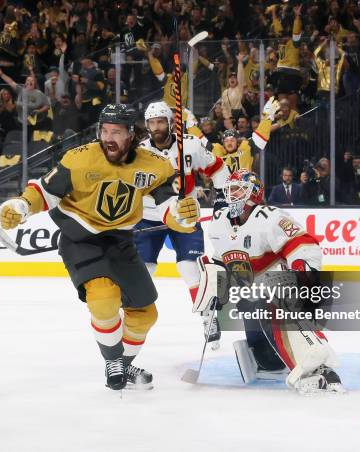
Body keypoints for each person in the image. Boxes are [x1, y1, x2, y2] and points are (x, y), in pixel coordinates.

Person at [0, 104, 200, 391]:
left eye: (116, 132)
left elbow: (168, 206)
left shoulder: (153, 164)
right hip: (81, 239)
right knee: (103, 298)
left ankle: (122, 364)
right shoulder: (80, 159)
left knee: (146, 315)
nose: (108, 137)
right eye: (104, 130)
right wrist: (22, 204)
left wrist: (181, 216)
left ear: (131, 135)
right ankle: (114, 361)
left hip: (121, 241)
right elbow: (44, 191)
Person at [195, 170, 344, 393]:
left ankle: (323, 369)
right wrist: (216, 294)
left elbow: (304, 244)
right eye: (230, 189)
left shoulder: (271, 217)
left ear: (253, 193)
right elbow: (218, 261)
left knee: (279, 311)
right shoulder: (219, 223)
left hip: (278, 293)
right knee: (266, 357)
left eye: (238, 189)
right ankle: (273, 360)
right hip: (248, 298)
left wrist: (302, 278)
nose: (231, 194)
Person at [135, 101, 229, 349]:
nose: (156, 127)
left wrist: (221, 200)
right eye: (151, 122)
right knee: (143, 270)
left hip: (184, 214)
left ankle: (209, 317)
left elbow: (219, 169)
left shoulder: (190, 144)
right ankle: (130, 317)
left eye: (160, 122)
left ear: (170, 122)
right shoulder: (139, 152)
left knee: (190, 267)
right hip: (148, 215)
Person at [211, 98, 278, 174]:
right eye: (226, 141)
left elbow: (260, 135)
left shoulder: (246, 146)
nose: (229, 143)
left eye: (232, 140)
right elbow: (200, 140)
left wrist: (267, 118)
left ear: (237, 142)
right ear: (223, 143)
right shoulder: (218, 151)